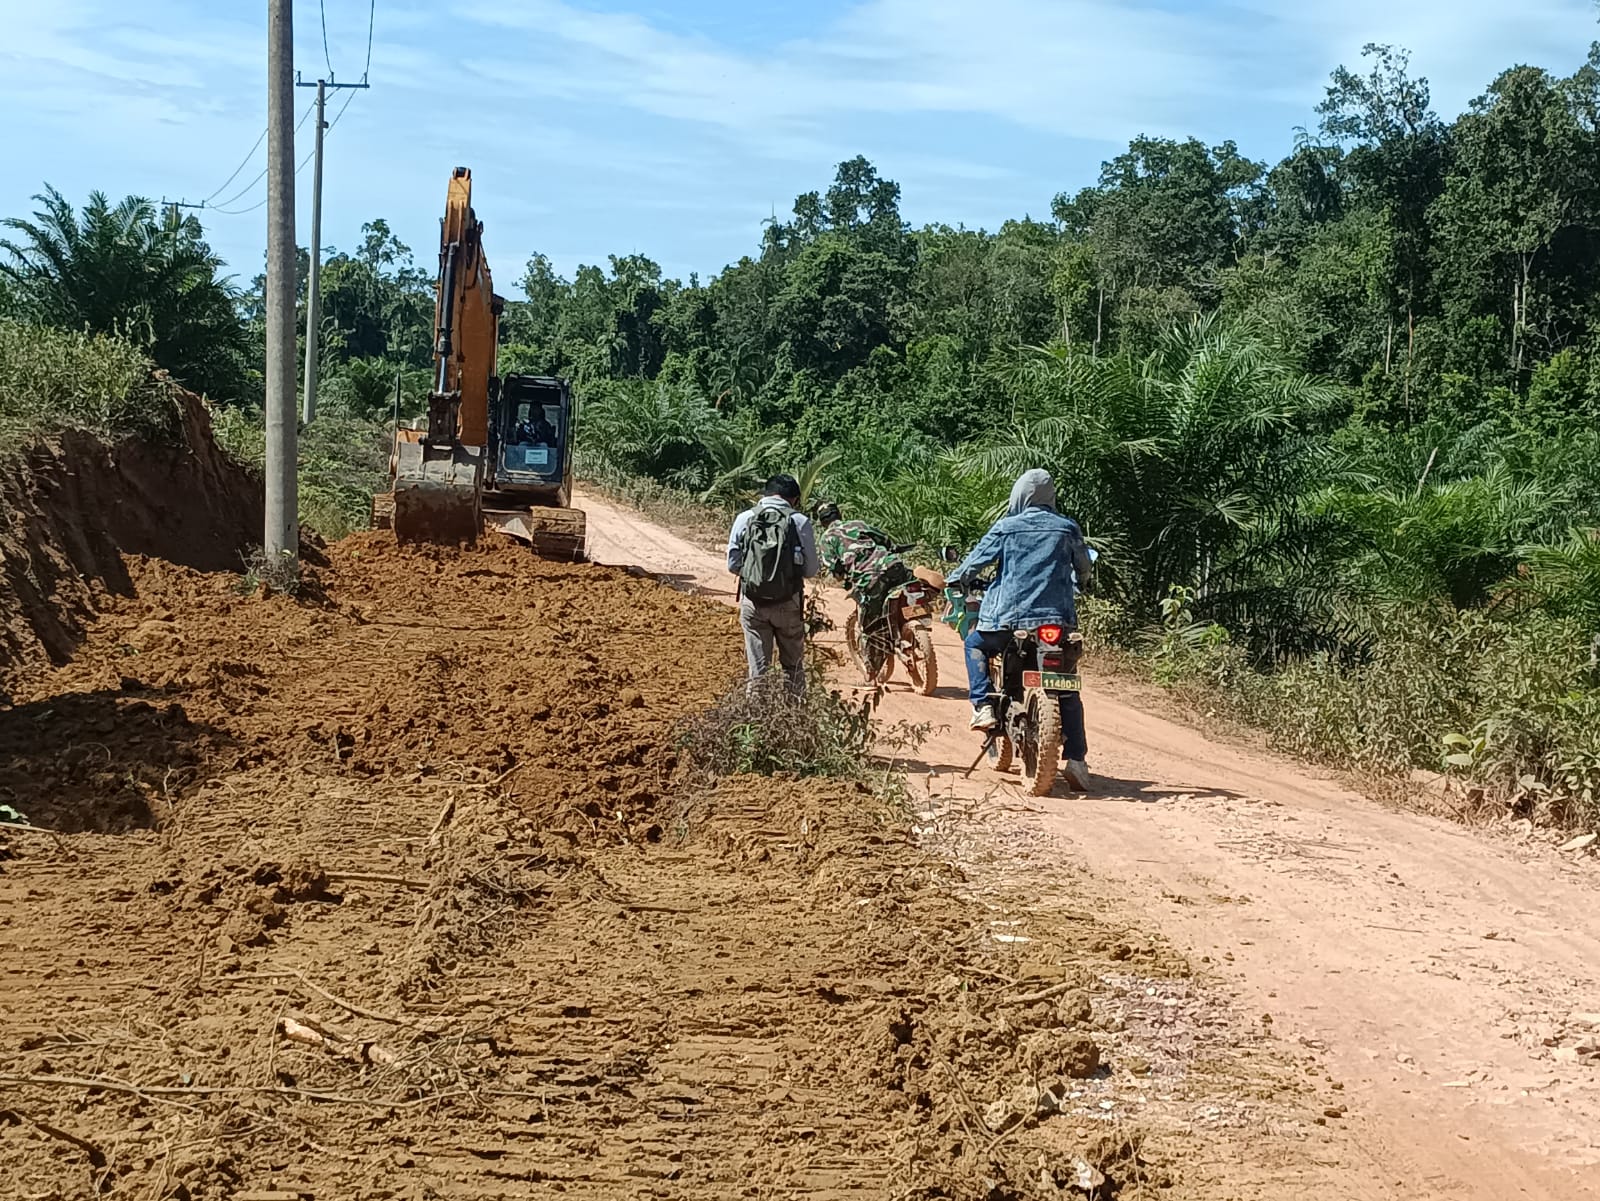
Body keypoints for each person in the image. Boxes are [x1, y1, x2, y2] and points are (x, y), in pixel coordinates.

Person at [952, 468, 1095, 790]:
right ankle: (1077, 760)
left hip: (1008, 621)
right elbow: (1083, 567)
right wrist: (1083, 582)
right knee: (1067, 687)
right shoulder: (1067, 528)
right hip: (1056, 622)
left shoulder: (1006, 527)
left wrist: (958, 578)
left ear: (1019, 495)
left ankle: (984, 706)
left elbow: (974, 564)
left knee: (974, 644)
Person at [726, 475, 820, 693]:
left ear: (765, 494)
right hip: (788, 603)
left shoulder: (744, 518)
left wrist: (756, 575)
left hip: (753, 603)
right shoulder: (800, 521)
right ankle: (795, 718)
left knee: (758, 671)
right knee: (793, 668)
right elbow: (811, 570)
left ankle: (755, 720)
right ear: (794, 499)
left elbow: (732, 564)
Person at [815, 502, 912, 671]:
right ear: (839, 515)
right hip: (894, 567)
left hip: (870, 580)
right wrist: (892, 547)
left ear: (822, 522)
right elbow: (884, 539)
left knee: (870, 628)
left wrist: (842, 576)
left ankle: (871, 674)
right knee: (912, 588)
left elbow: (834, 569)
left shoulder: (826, 539)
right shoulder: (857, 524)